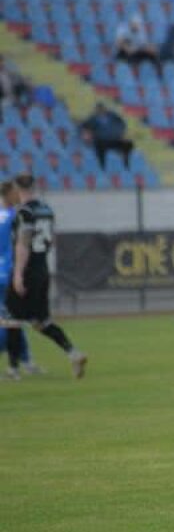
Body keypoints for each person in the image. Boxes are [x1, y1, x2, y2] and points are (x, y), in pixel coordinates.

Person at [2, 175, 88, 379]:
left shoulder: (24, 212)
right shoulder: (46, 210)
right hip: (43, 270)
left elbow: (23, 243)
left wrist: (18, 274)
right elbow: (52, 240)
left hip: (28, 269)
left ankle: (13, 370)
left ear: (16, 188)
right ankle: (73, 353)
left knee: (10, 320)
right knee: (41, 321)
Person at [1, 180, 40, 380]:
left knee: (13, 320)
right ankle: (20, 364)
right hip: (8, 273)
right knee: (10, 322)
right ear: (7, 194)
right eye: (15, 192)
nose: (18, 195)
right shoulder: (14, 216)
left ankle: (23, 362)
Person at [80, 102, 134, 168]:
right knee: (98, 147)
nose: (101, 111)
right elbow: (84, 126)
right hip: (102, 141)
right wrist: (86, 134)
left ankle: (125, 162)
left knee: (128, 143)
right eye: (98, 110)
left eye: (102, 109)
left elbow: (122, 124)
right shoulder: (92, 119)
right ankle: (102, 166)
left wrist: (121, 133)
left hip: (115, 139)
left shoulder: (112, 115)